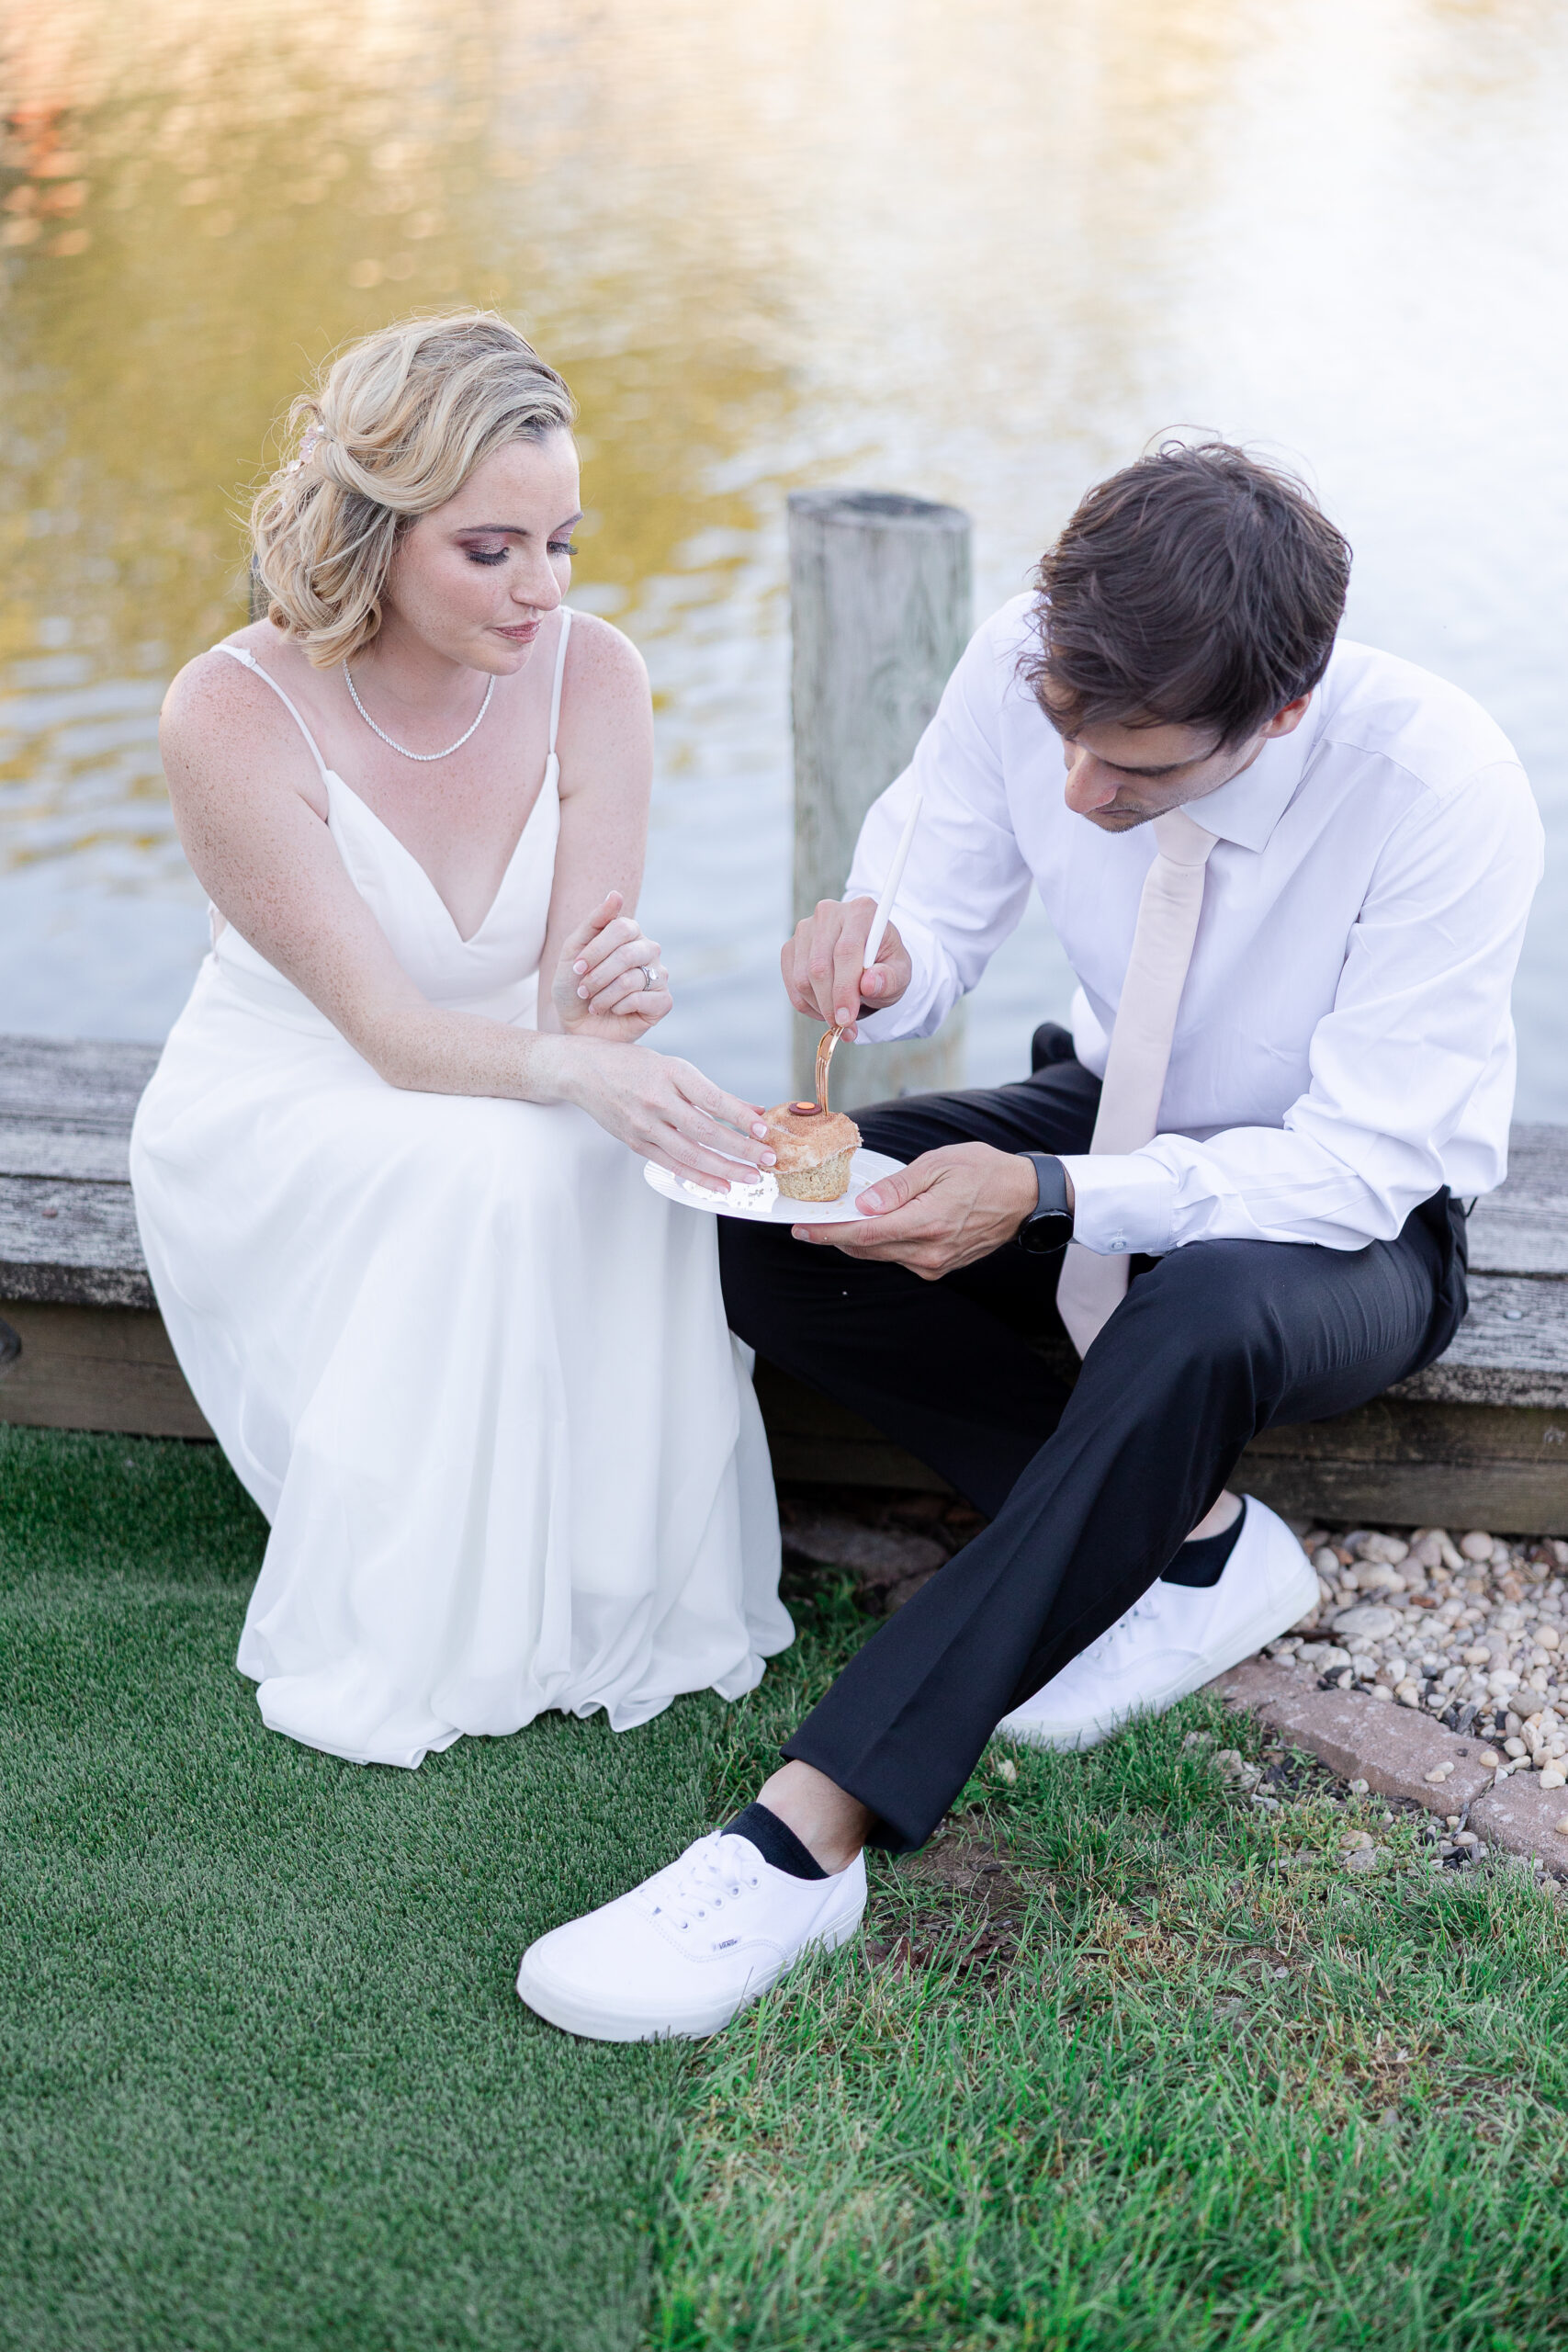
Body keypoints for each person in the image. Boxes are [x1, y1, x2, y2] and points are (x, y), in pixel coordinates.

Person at [516, 440, 1543, 2042]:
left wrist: (1054, 1198)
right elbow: (937, 916)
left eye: (1137, 776)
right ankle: (1186, 1541)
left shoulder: (1441, 785)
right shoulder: (1026, 660)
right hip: (1102, 1113)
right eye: (1067, 736)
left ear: (1277, 713)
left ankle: (808, 1836)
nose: (1085, 793)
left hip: (1346, 1223)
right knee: (776, 1216)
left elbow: (1360, 1163)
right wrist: (879, 952)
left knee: (1197, 1316)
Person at [130, 312, 791, 1769]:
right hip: (299, 1094)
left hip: (499, 1062)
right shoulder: (229, 713)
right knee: (506, 1171)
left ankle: (603, 1580)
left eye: (562, 541)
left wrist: (610, 1008)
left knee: (648, 1150)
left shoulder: (596, 673)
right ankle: (443, 1613)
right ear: (374, 528)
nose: (540, 589)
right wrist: (574, 1070)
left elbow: (564, 1009)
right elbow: (386, 1035)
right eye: (489, 550)